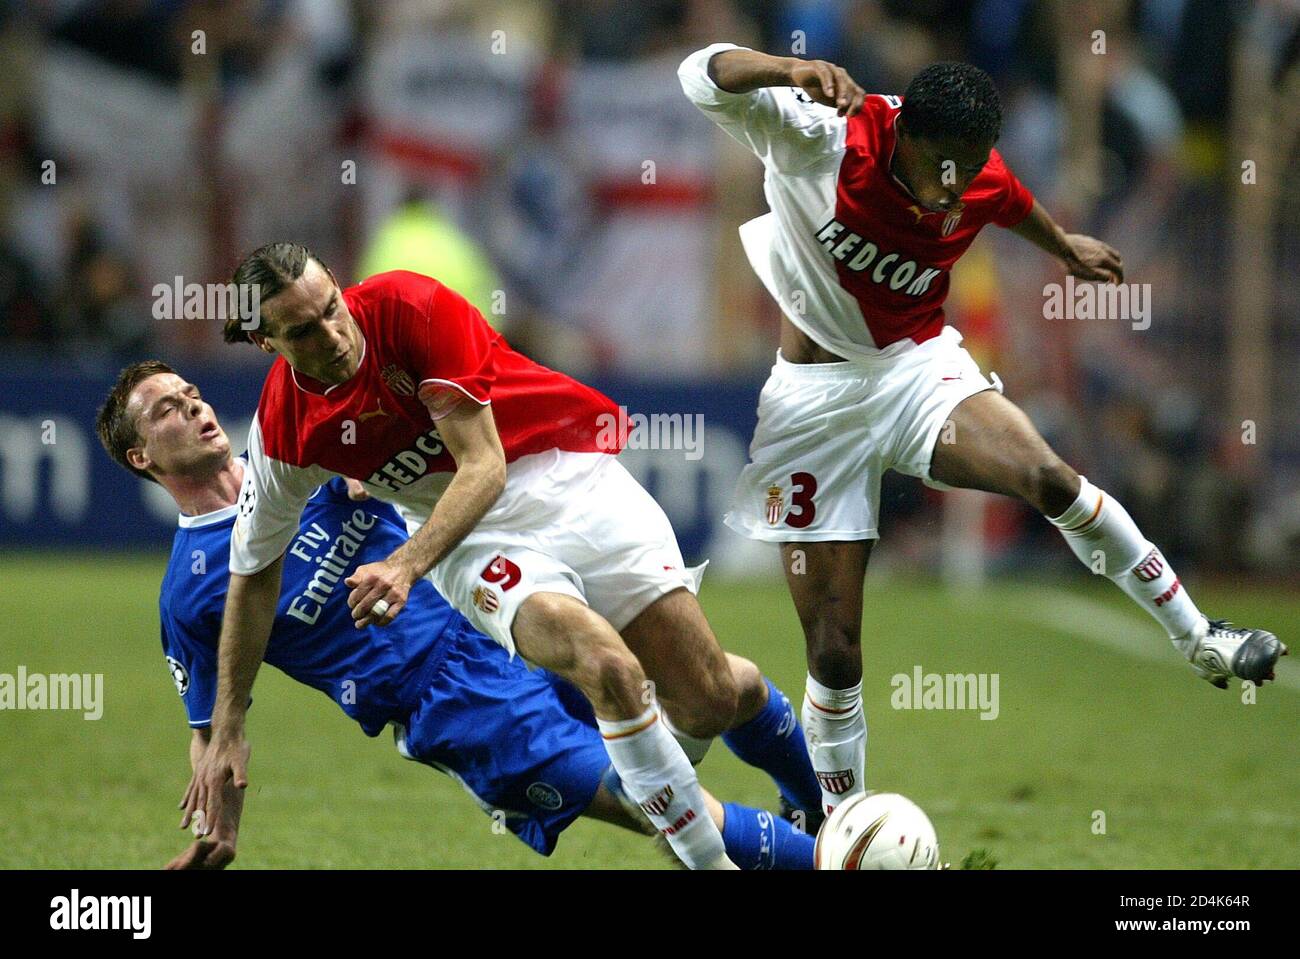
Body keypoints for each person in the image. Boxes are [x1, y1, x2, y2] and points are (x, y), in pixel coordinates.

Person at [678, 43, 1285, 816]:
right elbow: (698, 73)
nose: (952, 188)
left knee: (1051, 478)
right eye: (940, 167)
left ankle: (1200, 635)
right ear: (903, 136)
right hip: (812, 404)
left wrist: (1065, 247)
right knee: (834, 649)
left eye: (969, 166)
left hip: (914, 372)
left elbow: (1009, 201)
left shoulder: (973, 173)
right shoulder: (823, 134)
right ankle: (845, 821)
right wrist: (779, 68)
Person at [183, 246, 822, 869]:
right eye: (304, 330)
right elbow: (253, 573)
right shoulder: (285, 430)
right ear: (268, 342)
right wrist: (229, 721)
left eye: (332, 307)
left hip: (564, 476)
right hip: (474, 542)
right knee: (606, 667)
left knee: (708, 698)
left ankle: (813, 802)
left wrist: (405, 566)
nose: (334, 334)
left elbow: (484, 466)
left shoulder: (410, 306)